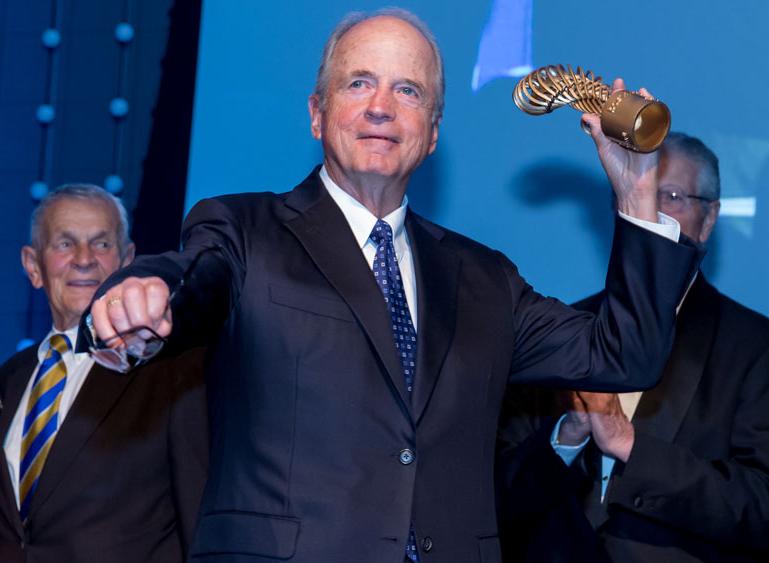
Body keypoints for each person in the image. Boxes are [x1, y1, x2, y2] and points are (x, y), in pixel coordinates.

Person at [84, 9, 699, 562]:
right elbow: (190, 277)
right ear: (317, 115)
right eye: (359, 83)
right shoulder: (245, 231)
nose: (381, 105)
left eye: (408, 90)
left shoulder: (484, 277)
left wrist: (636, 193)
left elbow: (628, 354)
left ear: (432, 134)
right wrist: (144, 287)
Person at [496, 132, 769, 563]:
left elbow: (768, 513)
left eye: (673, 196)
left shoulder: (760, 348)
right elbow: (493, 501)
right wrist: (564, 440)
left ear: (710, 218)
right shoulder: (559, 330)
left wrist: (629, 445)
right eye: (638, 197)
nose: (653, 214)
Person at [0, 184, 208, 563]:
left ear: (128, 260)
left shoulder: (172, 371)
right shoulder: (10, 378)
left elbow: (197, 509)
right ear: (33, 267)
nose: (84, 260)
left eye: (101, 244)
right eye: (64, 244)